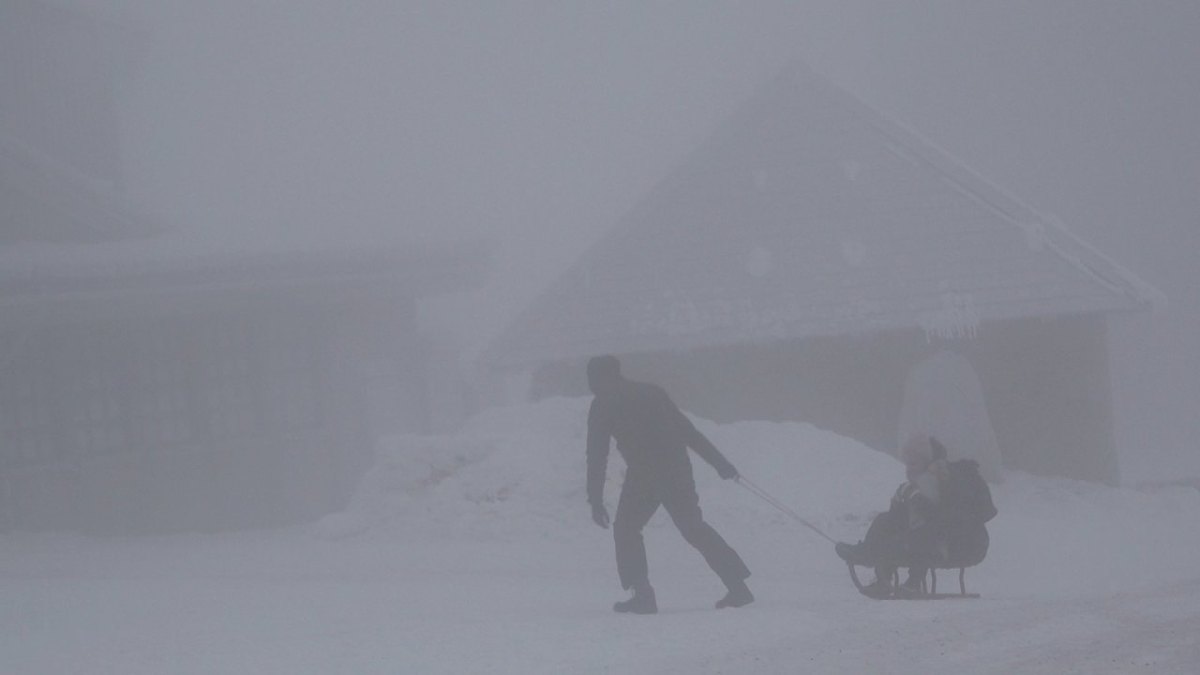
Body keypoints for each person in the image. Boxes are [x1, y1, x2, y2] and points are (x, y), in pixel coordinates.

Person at [585, 355, 752, 614]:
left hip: (644, 474)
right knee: (693, 528)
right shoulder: (652, 392)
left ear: (602, 376)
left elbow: (597, 454)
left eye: (591, 378)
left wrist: (595, 499)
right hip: (677, 469)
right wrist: (720, 464)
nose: (590, 384)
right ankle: (738, 586)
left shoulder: (603, 403)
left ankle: (642, 595)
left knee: (626, 529)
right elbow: (687, 431)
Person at [835, 434, 953, 598]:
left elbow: (933, 522)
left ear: (927, 464)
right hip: (909, 539)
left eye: (913, 464)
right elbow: (896, 520)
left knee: (917, 535)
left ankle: (914, 581)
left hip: (934, 545)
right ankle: (876, 566)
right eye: (907, 464)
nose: (909, 468)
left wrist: (917, 501)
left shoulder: (935, 488)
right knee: (885, 522)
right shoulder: (909, 488)